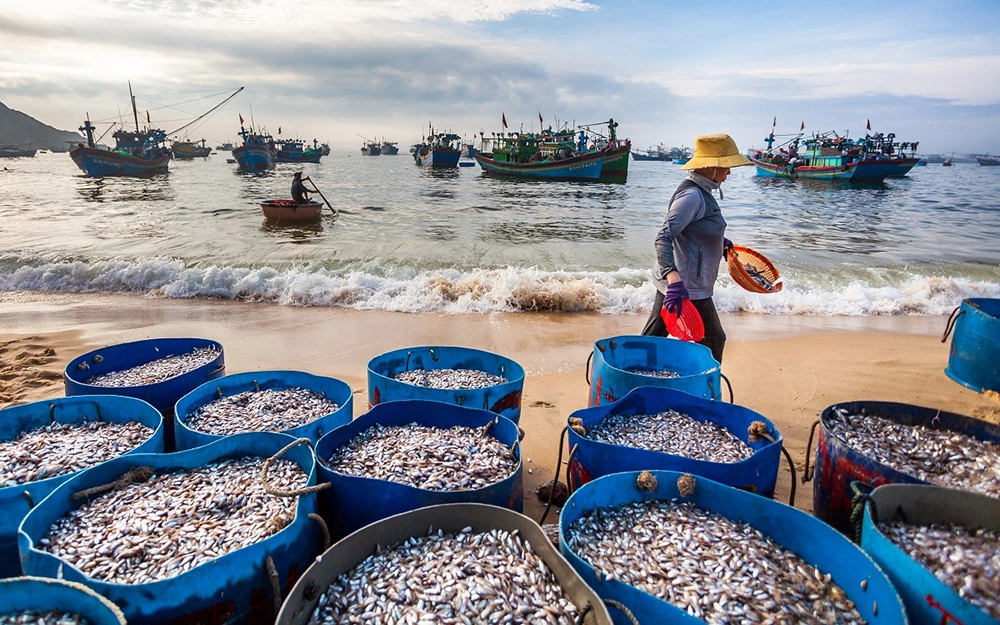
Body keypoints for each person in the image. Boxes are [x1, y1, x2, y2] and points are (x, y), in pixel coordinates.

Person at [641, 133, 752, 364]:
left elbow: (693, 233)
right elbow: (663, 236)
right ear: (711, 167)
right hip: (684, 287)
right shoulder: (693, 196)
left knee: (654, 339)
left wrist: (720, 242)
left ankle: (638, 376)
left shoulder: (702, 193)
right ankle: (705, 389)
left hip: (691, 285)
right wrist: (673, 280)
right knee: (712, 339)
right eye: (726, 166)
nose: (729, 172)